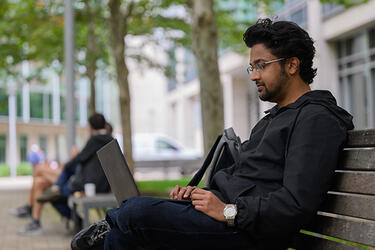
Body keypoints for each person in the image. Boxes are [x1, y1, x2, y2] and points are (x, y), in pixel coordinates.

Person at [71, 18, 354, 250]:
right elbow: (250, 181)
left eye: (261, 65)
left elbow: (296, 204)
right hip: (229, 223)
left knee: (136, 214)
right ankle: (114, 227)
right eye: (252, 67)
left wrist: (228, 211)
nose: (254, 75)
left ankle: (112, 222)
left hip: (247, 233)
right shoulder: (274, 118)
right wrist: (200, 196)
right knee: (125, 236)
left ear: (292, 65)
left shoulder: (316, 119)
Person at [17, 113, 113, 235]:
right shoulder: (110, 140)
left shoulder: (96, 139)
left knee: (48, 188)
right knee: (41, 183)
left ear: (90, 126)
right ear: (104, 125)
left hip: (89, 184)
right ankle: (36, 210)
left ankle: (52, 195)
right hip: (100, 184)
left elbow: (80, 158)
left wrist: (67, 163)